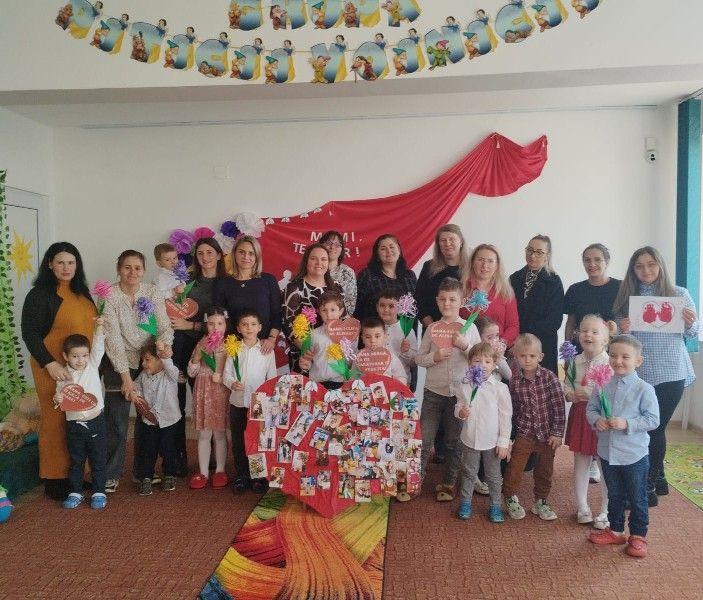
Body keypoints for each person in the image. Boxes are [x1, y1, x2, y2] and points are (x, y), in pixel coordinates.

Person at [613, 246, 698, 506]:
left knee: (655, 427)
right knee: (645, 427)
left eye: (651, 264)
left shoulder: (679, 294)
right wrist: (622, 329)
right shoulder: (627, 299)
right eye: (639, 266)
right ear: (633, 270)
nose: (646, 270)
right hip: (640, 373)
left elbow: (693, 333)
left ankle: (647, 484)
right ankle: (658, 478)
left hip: (671, 371)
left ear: (660, 265)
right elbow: (620, 342)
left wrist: (691, 322)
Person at [21, 242, 97, 501]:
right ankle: (54, 478)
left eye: (71, 262)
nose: (66, 268)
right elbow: (30, 334)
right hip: (52, 368)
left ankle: (75, 475)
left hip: (80, 369)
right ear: (50, 264)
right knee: (55, 420)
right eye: (61, 262)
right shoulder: (40, 294)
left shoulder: (82, 293)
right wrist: (50, 363)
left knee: (78, 420)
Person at [102, 249, 173, 493]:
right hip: (117, 362)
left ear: (144, 271)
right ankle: (110, 474)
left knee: (147, 418)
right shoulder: (109, 296)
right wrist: (126, 379)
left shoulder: (152, 292)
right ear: (118, 269)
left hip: (148, 361)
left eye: (137, 268)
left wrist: (164, 347)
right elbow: (112, 340)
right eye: (127, 267)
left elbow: (164, 327)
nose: (132, 272)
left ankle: (142, 472)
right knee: (117, 420)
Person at [587, 335, 660, 558]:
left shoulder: (644, 389)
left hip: (634, 455)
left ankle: (638, 535)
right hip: (607, 452)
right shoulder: (602, 384)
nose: (618, 361)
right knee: (614, 494)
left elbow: (653, 420)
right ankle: (616, 530)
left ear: (638, 361)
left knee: (637, 497)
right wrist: (596, 420)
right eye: (613, 355)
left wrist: (627, 423)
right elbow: (591, 409)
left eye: (625, 357)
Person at [414, 278, 481, 493]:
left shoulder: (469, 328)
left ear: (461, 301)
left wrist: (465, 346)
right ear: (437, 301)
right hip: (433, 393)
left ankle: (449, 482)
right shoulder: (432, 328)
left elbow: (480, 359)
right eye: (442, 299)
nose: (447, 303)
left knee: (454, 441)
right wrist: (434, 357)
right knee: (424, 439)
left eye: (452, 299)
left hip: (459, 395)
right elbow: (419, 358)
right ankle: (416, 480)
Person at [171, 237, 229, 476]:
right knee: (182, 403)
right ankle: (178, 459)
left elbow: (225, 322)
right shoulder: (187, 284)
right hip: (186, 348)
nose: (205, 257)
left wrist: (193, 326)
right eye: (200, 253)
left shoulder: (226, 284)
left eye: (209, 252)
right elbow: (175, 314)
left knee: (215, 404)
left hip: (217, 351)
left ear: (219, 255)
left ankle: (217, 462)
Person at [502, 333, 565, 521]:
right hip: (525, 433)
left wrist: (557, 433)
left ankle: (541, 500)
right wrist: (510, 436)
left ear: (540, 357)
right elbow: (513, 409)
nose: (527, 360)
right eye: (523, 356)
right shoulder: (514, 381)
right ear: (516, 357)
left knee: (545, 470)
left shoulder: (550, 378)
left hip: (547, 435)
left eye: (532, 356)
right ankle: (510, 497)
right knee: (515, 467)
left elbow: (559, 408)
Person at [446, 342, 511, 522]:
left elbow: (506, 417)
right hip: (470, 439)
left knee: (493, 476)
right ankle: (466, 502)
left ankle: (495, 505)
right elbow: (458, 407)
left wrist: (504, 442)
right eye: (477, 361)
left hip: (492, 441)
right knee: (468, 473)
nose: (482, 365)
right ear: (469, 363)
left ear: (494, 364)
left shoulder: (500, 388)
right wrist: (461, 412)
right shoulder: (465, 386)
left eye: (487, 361)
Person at [563, 315, 610, 529]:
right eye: (584, 330)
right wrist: (569, 394)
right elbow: (567, 384)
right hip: (581, 416)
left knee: (605, 465)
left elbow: (611, 393)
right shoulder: (575, 361)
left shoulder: (609, 363)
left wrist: (590, 394)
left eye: (594, 332)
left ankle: (606, 510)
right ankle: (582, 507)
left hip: (601, 418)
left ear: (605, 339)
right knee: (581, 461)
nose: (588, 335)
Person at [223, 309, 277, 493]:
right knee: (239, 441)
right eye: (245, 324)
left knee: (256, 441)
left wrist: (269, 401)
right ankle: (242, 475)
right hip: (238, 402)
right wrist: (232, 383)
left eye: (253, 324)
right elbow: (226, 374)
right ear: (238, 328)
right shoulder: (234, 349)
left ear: (260, 327)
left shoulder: (266, 351)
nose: (249, 328)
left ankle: (258, 476)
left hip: (259, 405)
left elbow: (272, 379)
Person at [54, 323, 107, 510]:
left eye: (84, 355)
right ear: (65, 356)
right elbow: (59, 398)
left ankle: (99, 492)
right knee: (76, 460)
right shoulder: (63, 375)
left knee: (98, 459)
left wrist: (99, 328)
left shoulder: (92, 366)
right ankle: (76, 492)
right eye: (75, 356)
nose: (80, 360)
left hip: (96, 421)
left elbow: (98, 347)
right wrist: (57, 398)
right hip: (74, 424)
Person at [214, 235, 281, 354]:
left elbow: (277, 314)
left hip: (262, 347)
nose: (246, 257)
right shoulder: (223, 283)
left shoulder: (268, 280)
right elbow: (219, 318)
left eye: (251, 253)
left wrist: (271, 339)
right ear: (234, 254)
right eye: (241, 252)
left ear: (257, 256)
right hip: (232, 348)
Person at [187, 307, 230, 489]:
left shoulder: (230, 345)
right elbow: (191, 372)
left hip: (221, 391)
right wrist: (197, 355)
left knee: (220, 433)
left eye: (220, 323)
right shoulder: (201, 343)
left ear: (226, 325)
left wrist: (222, 375)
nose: (215, 327)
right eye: (211, 324)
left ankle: (220, 470)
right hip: (204, 390)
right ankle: (203, 472)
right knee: (204, 434)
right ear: (206, 325)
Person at [131, 342, 181, 496]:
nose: (143, 364)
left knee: (169, 449)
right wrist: (132, 391)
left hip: (169, 421)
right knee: (148, 450)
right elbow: (135, 386)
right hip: (150, 421)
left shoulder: (170, 374)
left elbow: (170, 366)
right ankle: (146, 477)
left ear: (159, 360)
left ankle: (170, 475)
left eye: (148, 360)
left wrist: (163, 352)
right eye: (143, 360)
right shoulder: (143, 375)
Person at [282, 244, 342, 372]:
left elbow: (343, 319)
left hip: (333, 355)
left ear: (328, 262)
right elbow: (288, 324)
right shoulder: (294, 288)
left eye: (323, 259)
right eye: (314, 258)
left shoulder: (336, 287)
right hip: (305, 356)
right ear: (306, 261)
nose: (319, 263)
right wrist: (308, 350)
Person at [510, 235, 564, 374]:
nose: (532, 255)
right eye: (530, 250)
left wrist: (526, 340)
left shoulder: (554, 282)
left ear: (547, 255)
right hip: (516, 344)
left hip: (542, 346)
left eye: (539, 252)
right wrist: (516, 339)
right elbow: (509, 313)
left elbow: (554, 321)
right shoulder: (514, 278)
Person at [564, 243, 621, 346]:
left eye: (597, 259)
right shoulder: (575, 290)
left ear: (607, 261)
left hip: (612, 350)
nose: (592, 264)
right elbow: (570, 323)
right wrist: (567, 350)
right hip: (580, 350)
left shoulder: (621, 288)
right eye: (587, 260)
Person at [416, 225, 471, 328]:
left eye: (452, 239)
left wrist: (466, 329)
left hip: (465, 329)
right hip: (433, 328)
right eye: (443, 240)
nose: (447, 243)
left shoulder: (472, 267)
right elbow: (419, 299)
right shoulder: (429, 267)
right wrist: (432, 327)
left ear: (461, 242)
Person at [465, 244, 519, 347]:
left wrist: (501, 344)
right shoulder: (461, 289)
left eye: (490, 261)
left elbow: (513, 326)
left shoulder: (505, 292)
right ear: (472, 262)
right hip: (466, 349)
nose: (485, 265)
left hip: (496, 350)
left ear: (497, 265)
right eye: (480, 260)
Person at [299, 290, 354, 389]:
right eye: (324, 310)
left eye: (333, 310)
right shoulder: (312, 334)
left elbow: (352, 362)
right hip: (318, 383)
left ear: (341, 311)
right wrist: (305, 364)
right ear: (319, 312)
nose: (328, 314)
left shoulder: (348, 334)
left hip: (341, 382)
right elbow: (306, 361)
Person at [355, 234, 417, 321]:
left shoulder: (410, 275)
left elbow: (416, 304)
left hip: (406, 327)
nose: (388, 251)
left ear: (399, 250)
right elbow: (357, 307)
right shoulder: (367, 275)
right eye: (383, 249)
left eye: (392, 247)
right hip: (375, 327)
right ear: (377, 254)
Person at [376, 289, 417, 385]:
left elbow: (414, 362)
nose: (386, 310)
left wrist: (406, 351)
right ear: (377, 307)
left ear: (400, 308)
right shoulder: (373, 329)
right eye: (382, 305)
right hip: (378, 382)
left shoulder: (407, 330)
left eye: (391, 306)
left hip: (400, 382)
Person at [357, 317, 407, 385]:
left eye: (377, 336)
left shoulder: (390, 356)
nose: (373, 341)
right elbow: (353, 377)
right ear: (362, 338)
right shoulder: (359, 357)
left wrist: (394, 387)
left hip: (388, 390)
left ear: (385, 336)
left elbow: (401, 376)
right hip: (365, 390)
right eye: (368, 337)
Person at [320, 230, 357, 315]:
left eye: (337, 245)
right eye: (328, 243)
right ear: (320, 246)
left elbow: (350, 304)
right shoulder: (314, 268)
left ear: (342, 250)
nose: (332, 247)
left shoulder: (347, 272)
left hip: (339, 320)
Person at [475, 316, 511, 381]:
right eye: (489, 338)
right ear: (479, 338)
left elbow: (508, 375)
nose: (495, 340)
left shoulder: (497, 353)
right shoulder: (476, 356)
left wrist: (499, 357)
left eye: (497, 335)